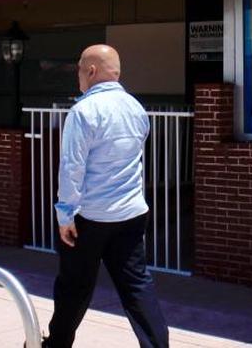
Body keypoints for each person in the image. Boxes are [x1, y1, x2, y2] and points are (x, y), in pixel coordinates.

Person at [42, 44, 169, 348]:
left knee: (74, 286)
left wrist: (65, 215)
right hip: (131, 213)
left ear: (91, 71)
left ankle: (56, 345)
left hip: (91, 217)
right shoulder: (136, 108)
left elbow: (72, 168)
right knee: (136, 285)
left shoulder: (83, 111)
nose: (78, 77)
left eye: (79, 70)